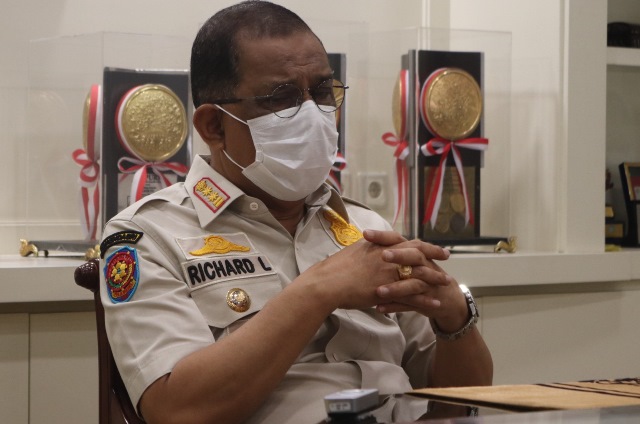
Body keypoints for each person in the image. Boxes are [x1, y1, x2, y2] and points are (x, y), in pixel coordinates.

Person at [99, 1, 493, 423]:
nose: (312, 114)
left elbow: (462, 402)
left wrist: (455, 316)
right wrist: (318, 291)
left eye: (322, 92)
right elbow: (177, 410)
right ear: (214, 126)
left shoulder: (366, 229)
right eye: (281, 98)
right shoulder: (148, 236)